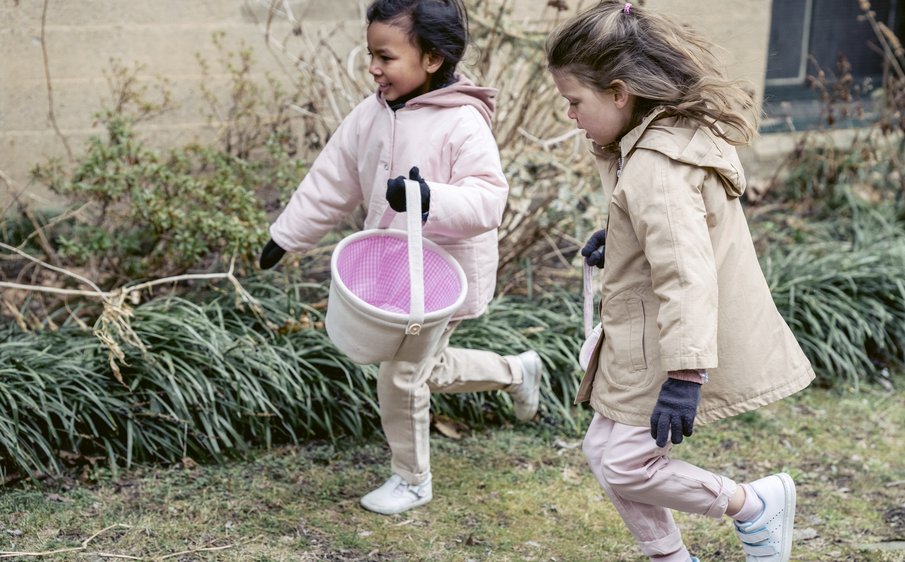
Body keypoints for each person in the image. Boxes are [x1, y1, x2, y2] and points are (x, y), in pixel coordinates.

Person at [546, 1, 816, 561]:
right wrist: (617, 240)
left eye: (574, 101)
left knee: (624, 461)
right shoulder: (657, 141)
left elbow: (686, 273)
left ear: (620, 93)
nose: (569, 115)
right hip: (643, 335)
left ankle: (754, 505)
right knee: (604, 450)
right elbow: (664, 235)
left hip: (664, 346)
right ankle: (670, 556)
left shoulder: (657, 166)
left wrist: (685, 373)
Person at [259, 0, 542, 516]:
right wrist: (287, 234)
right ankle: (515, 372)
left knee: (402, 377)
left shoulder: (462, 123)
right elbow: (333, 177)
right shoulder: (370, 113)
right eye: (371, 54)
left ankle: (412, 480)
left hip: (440, 276)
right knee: (419, 370)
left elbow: (488, 200)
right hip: (392, 275)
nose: (373, 67)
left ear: (431, 58)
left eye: (386, 57)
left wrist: (427, 196)